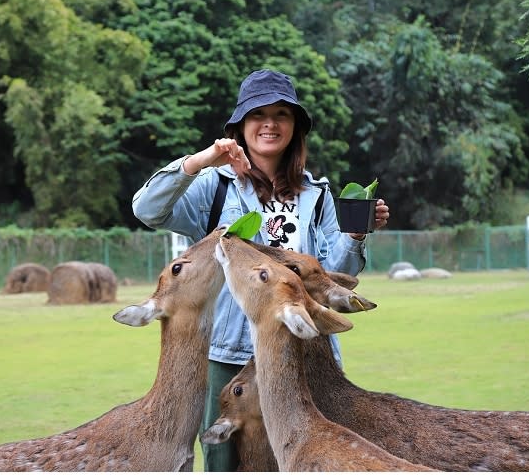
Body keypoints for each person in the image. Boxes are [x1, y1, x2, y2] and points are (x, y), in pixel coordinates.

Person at [132, 69, 390, 471]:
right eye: (258, 114)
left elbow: (331, 276)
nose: (270, 123)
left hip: (303, 352)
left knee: (309, 461)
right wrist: (203, 161)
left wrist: (355, 234)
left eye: (281, 114)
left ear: (295, 128)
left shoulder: (319, 196)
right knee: (224, 464)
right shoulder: (213, 188)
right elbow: (147, 210)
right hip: (227, 354)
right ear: (241, 126)